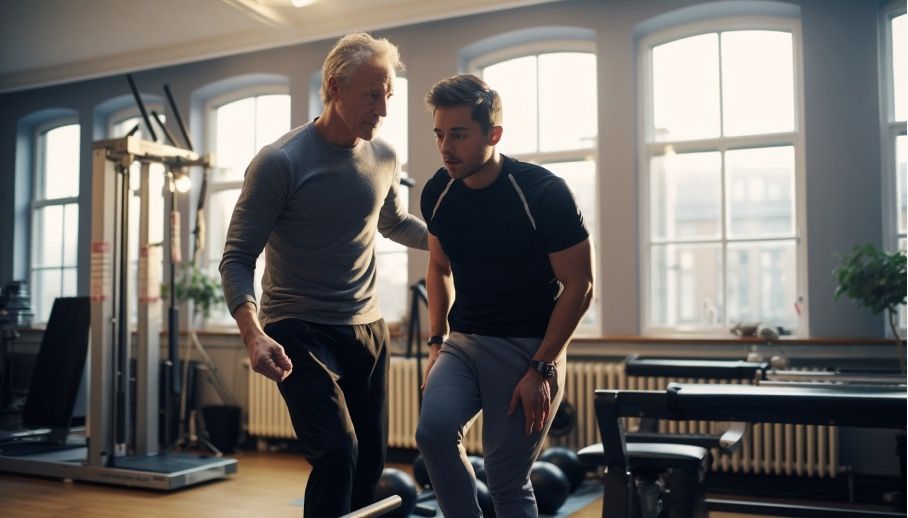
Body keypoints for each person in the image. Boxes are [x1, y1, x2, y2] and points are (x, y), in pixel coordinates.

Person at [219, 32, 428, 517]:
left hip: (366, 326)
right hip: (297, 325)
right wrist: (253, 335)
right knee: (337, 453)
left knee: (370, 464)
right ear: (335, 86)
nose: (383, 107)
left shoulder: (383, 156)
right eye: (372, 94)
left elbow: (394, 222)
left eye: (388, 94)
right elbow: (237, 257)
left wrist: (453, 243)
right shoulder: (280, 162)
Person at [416, 74, 594, 517]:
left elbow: (580, 286)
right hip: (463, 343)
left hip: (526, 349)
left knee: (505, 479)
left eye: (458, 134)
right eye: (440, 134)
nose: (445, 147)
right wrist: (437, 341)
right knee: (433, 434)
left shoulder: (543, 192)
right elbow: (438, 267)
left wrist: (543, 366)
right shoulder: (438, 191)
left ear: (493, 134)